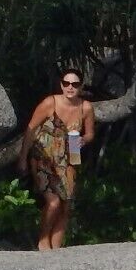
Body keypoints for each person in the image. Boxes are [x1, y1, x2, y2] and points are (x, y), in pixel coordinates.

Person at [23, 69, 96, 251]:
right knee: (53, 202)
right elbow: (31, 129)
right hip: (44, 157)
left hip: (70, 156)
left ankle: (56, 247)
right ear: (61, 84)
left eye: (75, 84)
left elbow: (90, 134)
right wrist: (23, 158)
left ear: (80, 87)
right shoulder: (50, 103)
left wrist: (83, 140)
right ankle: (43, 240)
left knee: (66, 205)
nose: (70, 87)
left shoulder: (86, 107)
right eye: (66, 83)